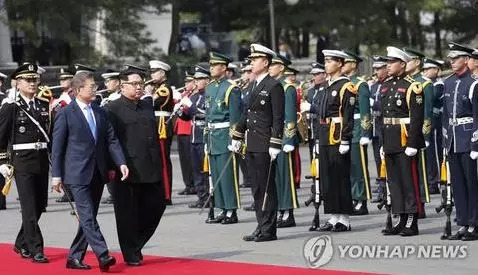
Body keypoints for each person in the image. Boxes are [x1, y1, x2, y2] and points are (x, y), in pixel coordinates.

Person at [51, 71, 129, 271]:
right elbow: (57, 148)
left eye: (95, 85)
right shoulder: (65, 113)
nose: (95, 89)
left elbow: (111, 140)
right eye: (91, 86)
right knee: (86, 215)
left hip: (98, 172)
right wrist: (56, 176)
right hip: (76, 173)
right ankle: (103, 254)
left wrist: (121, 162)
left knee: (89, 216)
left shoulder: (100, 111)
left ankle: (74, 257)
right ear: (78, 90)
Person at [105, 64, 166, 266]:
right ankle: (130, 252)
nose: (139, 87)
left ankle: (136, 242)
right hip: (126, 169)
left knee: (157, 206)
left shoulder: (147, 105)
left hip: (150, 167)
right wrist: (113, 167)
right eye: (134, 84)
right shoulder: (112, 109)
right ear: (123, 86)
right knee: (126, 214)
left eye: (141, 83)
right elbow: (110, 141)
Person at [232, 43, 284, 242]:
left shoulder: (274, 86)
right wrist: (237, 135)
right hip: (252, 142)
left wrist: (275, 143)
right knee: (256, 187)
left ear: (266, 61)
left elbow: (278, 118)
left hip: (265, 143)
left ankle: (269, 229)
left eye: (255, 60)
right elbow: (247, 113)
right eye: (251, 60)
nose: (252, 63)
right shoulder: (253, 84)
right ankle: (261, 225)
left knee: (266, 188)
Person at [301, 50, 357, 232]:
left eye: (330, 61)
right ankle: (333, 216)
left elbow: (347, 116)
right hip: (325, 134)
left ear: (340, 64)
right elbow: (324, 111)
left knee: (340, 177)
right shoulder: (328, 85)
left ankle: (344, 219)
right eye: (325, 61)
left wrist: (346, 139)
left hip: (337, 135)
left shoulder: (345, 86)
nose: (326, 64)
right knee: (327, 177)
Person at [0, 64, 51, 263]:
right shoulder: (10, 107)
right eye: (27, 80)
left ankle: (21, 241)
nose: (32, 83)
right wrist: (2, 161)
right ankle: (36, 248)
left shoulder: (42, 104)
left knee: (39, 206)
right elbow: (1, 137)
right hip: (22, 162)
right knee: (29, 207)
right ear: (18, 83)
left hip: (41, 159)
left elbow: (48, 134)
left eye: (34, 79)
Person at [380, 46, 424, 237]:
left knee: (408, 181)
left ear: (403, 64)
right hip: (390, 139)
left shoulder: (412, 87)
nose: (388, 66)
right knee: (395, 182)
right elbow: (384, 117)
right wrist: (382, 142)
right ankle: (401, 219)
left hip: (405, 140)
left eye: (392, 62)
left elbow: (416, 118)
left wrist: (413, 144)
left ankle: (412, 220)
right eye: (387, 62)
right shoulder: (386, 86)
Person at [442, 42, 478, 241]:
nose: (452, 61)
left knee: (472, 183)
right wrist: (445, 142)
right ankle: (463, 222)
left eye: (455, 58)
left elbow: (477, 115)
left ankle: (474, 223)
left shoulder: (473, 83)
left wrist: (475, 143)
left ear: (466, 60)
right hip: (453, 140)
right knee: (457, 184)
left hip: (467, 138)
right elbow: (445, 116)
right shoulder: (448, 82)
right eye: (451, 58)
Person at [204, 52, 242, 224]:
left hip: (225, 136)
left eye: (215, 65)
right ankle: (222, 208)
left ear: (224, 68)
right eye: (211, 65)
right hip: (212, 137)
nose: (211, 68)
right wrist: (206, 138)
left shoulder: (231, 88)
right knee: (216, 175)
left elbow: (235, 116)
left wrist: (235, 139)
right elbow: (207, 115)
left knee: (227, 176)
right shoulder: (210, 87)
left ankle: (231, 210)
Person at [268, 54, 299, 228]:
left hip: (282, 138)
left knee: (284, 176)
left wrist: (288, 139)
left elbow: (290, 117)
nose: (270, 68)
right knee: (274, 177)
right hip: (270, 136)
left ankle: (287, 212)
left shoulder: (288, 88)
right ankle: (279, 210)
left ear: (281, 68)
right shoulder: (272, 86)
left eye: (273, 65)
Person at [342, 50, 372, 216]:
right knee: (349, 168)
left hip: (357, 130)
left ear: (353, 64)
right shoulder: (345, 83)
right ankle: (353, 197)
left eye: (345, 62)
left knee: (358, 168)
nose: (343, 65)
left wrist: (365, 133)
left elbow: (365, 111)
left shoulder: (360, 84)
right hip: (346, 130)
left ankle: (361, 199)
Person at [178, 65, 209, 208]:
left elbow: (205, 114)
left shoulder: (209, 95)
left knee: (205, 170)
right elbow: (188, 116)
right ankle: (201, 196)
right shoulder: (195, 96)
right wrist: (180, 111)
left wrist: (190, 106)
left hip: (204, 136)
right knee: (196, 169)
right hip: (194, 137)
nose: (196, 82)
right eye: (195, 79)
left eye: (199, 79)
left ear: (207, 80)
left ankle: (209, 197)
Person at [149, 60, 174, 204]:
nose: (152, 74)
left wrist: (147, 94)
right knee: (157, 161)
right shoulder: (158, 88)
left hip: (162, 126)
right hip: (156, 125)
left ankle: (166, 195)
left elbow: (154, 103)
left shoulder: (164, 89)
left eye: (154, 71)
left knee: (163, 161)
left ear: (162, 73)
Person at [422, 58, 446, 195]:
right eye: (424, 69)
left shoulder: (438, 85)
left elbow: (430, 99)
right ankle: (432, 181)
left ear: (436, 70)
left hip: (437, 121)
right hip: (429, 120)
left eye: (428, 69)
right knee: (429, 152)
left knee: (437, 151)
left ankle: (440, 180)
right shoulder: (427, 84)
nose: (424, 72)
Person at [369, 56, 389, 204]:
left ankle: (388, 189)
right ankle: (381, 187)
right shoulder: (374, 86)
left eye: (379, 68)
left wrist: (373, 104)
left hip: (386, 127)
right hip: (375, 128)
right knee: (378, 160)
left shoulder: (389, 85)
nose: (376, 71)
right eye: (375, 69)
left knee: (387, 159)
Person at [175, 71, 195, 196]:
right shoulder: (184, 94)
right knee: (184, 160)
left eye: (189, 82)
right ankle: (188, 184)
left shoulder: (194, 95)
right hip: (180, 129)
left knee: (190, 159)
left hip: (189, 129)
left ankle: (193, 184)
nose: (186, 84)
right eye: (185, 82)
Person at [305, 63, 327, 162]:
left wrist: (311, 107)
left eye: (317, 74)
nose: (314, 77)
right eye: (314, 75)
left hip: (321, 127)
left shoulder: (327, 89)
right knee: (312, 154)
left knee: (321, 156)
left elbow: (325, 108)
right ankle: (315, 174)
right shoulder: (311, 91)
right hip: (311, 128)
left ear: (324, 74)